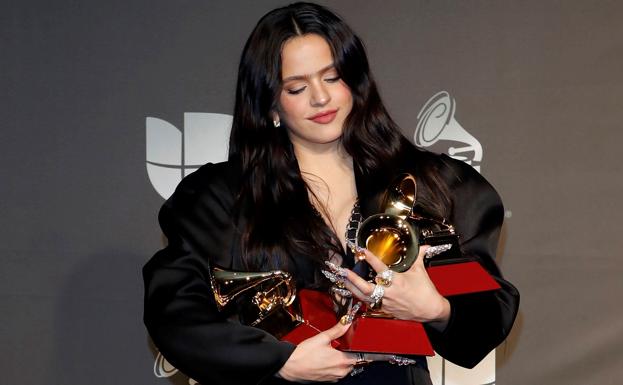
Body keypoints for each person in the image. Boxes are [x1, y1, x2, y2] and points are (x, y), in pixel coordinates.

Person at [142, 2, 519, 384]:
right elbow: (174, 312)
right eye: (297, 87)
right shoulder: (221, 198)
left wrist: (436, 309)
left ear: (356, 81)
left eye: (333, 77)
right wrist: (278, 361)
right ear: (270, 103)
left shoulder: (431, 184)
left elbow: (490, 308)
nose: (320, 98)